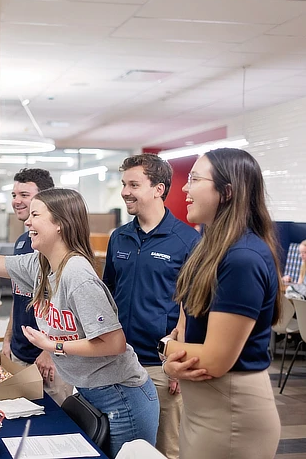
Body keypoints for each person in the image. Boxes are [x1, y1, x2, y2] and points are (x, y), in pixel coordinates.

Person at [0, 176, 159, 457]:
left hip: (123, 397)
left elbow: (114, 343)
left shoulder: (77, 274)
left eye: (35, 215)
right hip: (92, 391)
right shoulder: (39, 264)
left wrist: (54, 346)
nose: (27, 222)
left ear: (59, 224)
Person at [162, 148, 282, 459]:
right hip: (205, 406)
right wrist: (175, 354)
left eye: (194, 180)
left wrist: (165, 351)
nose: (185, 189)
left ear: (226, 192)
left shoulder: (243, 258)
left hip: (231, 413)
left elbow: (215, 359)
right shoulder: (210, 249)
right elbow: (188, 330)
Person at [102, 153, 199, 459]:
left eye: (134, 184)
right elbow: (108, 295)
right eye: (124, 183)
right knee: (120, 447)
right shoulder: (119, 237)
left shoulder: (186, 240)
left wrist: (180, 362)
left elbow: (195, 307)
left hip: (160, 368)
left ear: (159, 188)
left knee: (165, 449)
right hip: (117, 362)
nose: (125, 191)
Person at [3, 168, 73, 406]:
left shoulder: (59, 246)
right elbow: (20, 295)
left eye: (24, 194)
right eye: (14, 194)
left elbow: (66, 307)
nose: (16, 201)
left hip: (50, 361)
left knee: (55, 432)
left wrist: (50, 352)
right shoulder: (23, 242)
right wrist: (7, 338)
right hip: (20, 352)